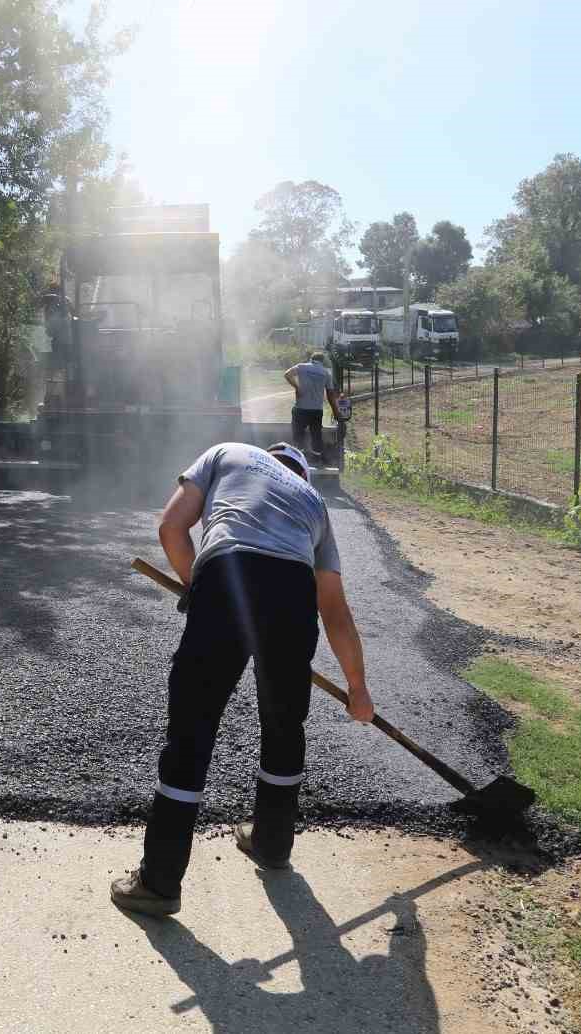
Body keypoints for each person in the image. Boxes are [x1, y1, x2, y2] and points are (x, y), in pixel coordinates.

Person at [111, 441, 373, 917]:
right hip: (294, 594)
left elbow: (172, 527)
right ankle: (272, 843)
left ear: (269, 458)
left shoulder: (226, 452)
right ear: (300, 475)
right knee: (284, 726)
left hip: (229, 569)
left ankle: (160, 880)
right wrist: (357, 687)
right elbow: (333, 608)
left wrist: (198, 587)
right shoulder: (313, 503)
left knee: (193, 730)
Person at [284, 351, 339, 462]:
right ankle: (316, 458)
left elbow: (287, 374)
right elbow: (330, 395)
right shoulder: (326, 373)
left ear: (311, 359)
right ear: (322, 361)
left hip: (301, 409)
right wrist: (336, 411)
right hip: (316, 411)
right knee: (316, 435)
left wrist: (297, 387)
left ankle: (298, 458)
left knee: (298, 433)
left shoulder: (301, 367)